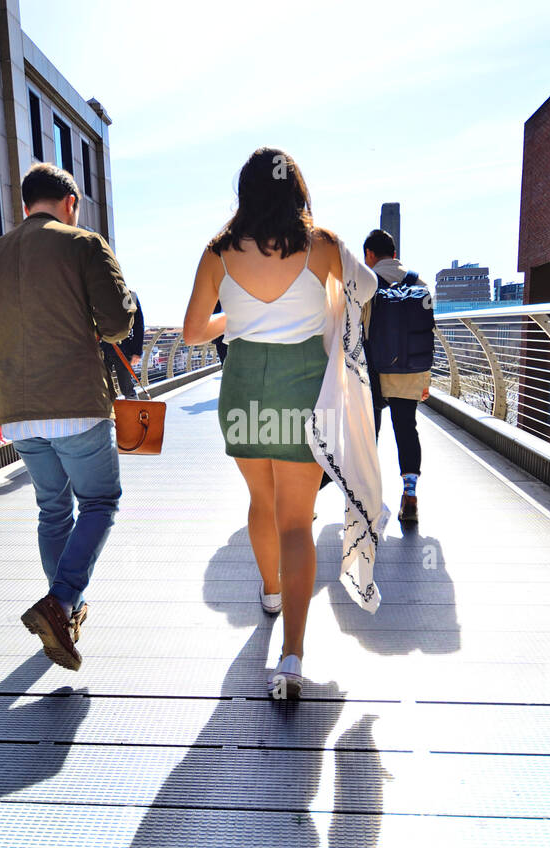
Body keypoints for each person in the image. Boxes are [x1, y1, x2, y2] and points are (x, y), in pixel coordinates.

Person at [182, 147, 384, 698]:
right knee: (296, 521)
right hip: (302, 386)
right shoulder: (320, 244)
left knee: (259, 502)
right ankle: (291, 659)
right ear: (296, 190)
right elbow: (366, 289)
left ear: (244, 193)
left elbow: (194, 332)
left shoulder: (218, 252)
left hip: (245, 382)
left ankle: (270, 592)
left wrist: (241, 316)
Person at [0, 162, 134, 672]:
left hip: (18, 412)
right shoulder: (84, 244)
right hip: (77, 404)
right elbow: (119, 323)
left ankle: (67, 612)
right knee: (100, 501)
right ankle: (60, 603)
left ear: (24, 206)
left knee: (52, 510)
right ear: (70, 202)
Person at [362, 229, 433, 524]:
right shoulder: (420, 282)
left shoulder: (366, 282)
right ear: (394, 253)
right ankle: (410, 496)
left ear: (369, 255)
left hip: (374, 374)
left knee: (369, 436)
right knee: (407, 431)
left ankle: (368, 497)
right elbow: (426, 334)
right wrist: (424, 380)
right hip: (410, 372)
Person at [102, 289, 145, 397]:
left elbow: (137, 324)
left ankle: (134, 413)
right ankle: (112, 412)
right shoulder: (97, 294)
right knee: (102, 388)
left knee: (127, 388)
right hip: (103, 347)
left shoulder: (127, 295)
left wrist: (137, 351)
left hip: (122, 348)